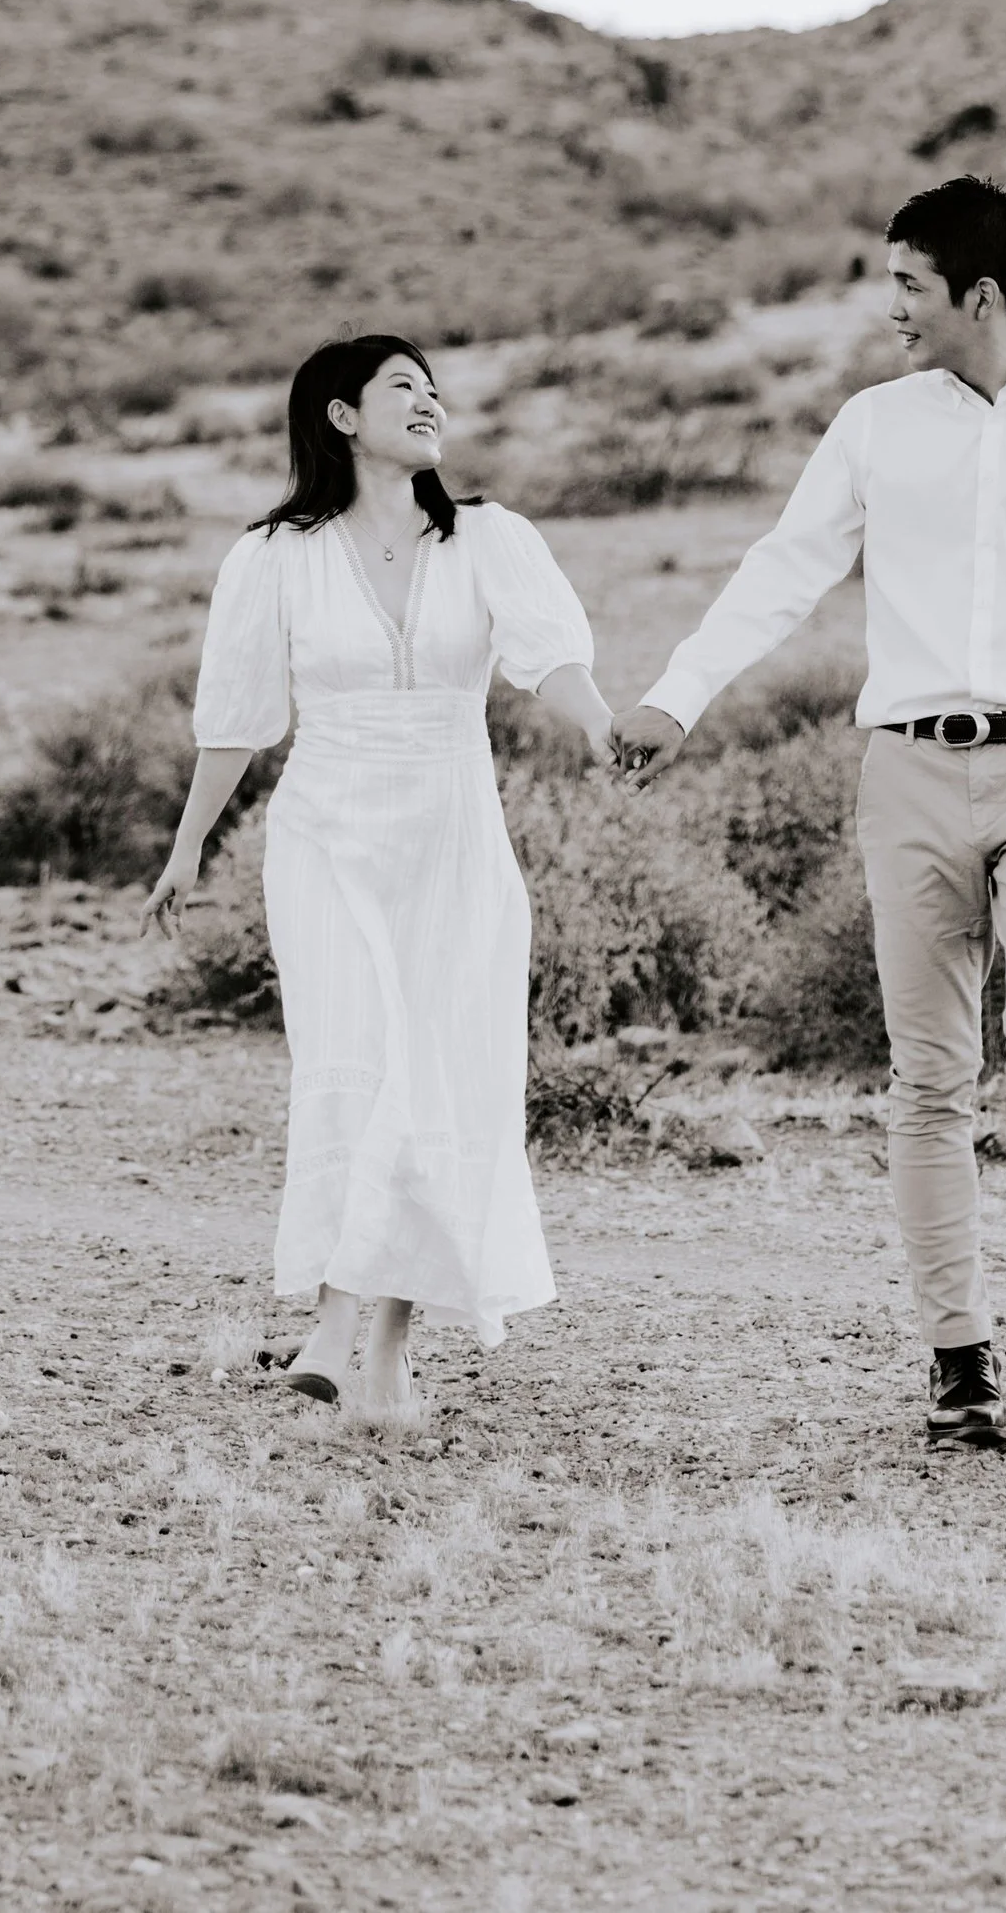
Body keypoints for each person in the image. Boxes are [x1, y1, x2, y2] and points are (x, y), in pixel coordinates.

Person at [615, 176, 1006, 1453]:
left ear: (978, 296)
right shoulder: (873, 427)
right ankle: (956, 1356)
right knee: (929, 1073)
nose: (891, 308)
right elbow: (784, 569)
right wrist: (678, 696)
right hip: (909, 771)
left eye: (907, 285)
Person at [142, 335, 614, 1413]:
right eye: (403, 385)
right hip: (327, 834)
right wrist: (187, 845)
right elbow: (238, 715)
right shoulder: (275, 555)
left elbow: (551, 656)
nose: (429, 401)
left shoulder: (488, 538)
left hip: (453, 835)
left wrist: (600, 729)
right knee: (353, 1058)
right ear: (342, 416)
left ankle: (385, 1346)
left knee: (436, 1071)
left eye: (435, 388)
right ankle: (335, 1318)